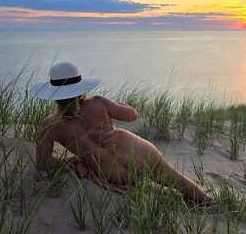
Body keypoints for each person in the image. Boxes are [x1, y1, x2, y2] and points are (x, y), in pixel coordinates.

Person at [31, 61, 212, 203]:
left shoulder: (49, 125)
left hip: (112, 173)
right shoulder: (98, 102)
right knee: (177, 181)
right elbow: (132, 115)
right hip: (137, 151)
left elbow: (43, 163)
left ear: (53, 92)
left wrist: (71, 161)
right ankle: (211, 203)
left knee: (172, 181)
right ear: (80, 85)